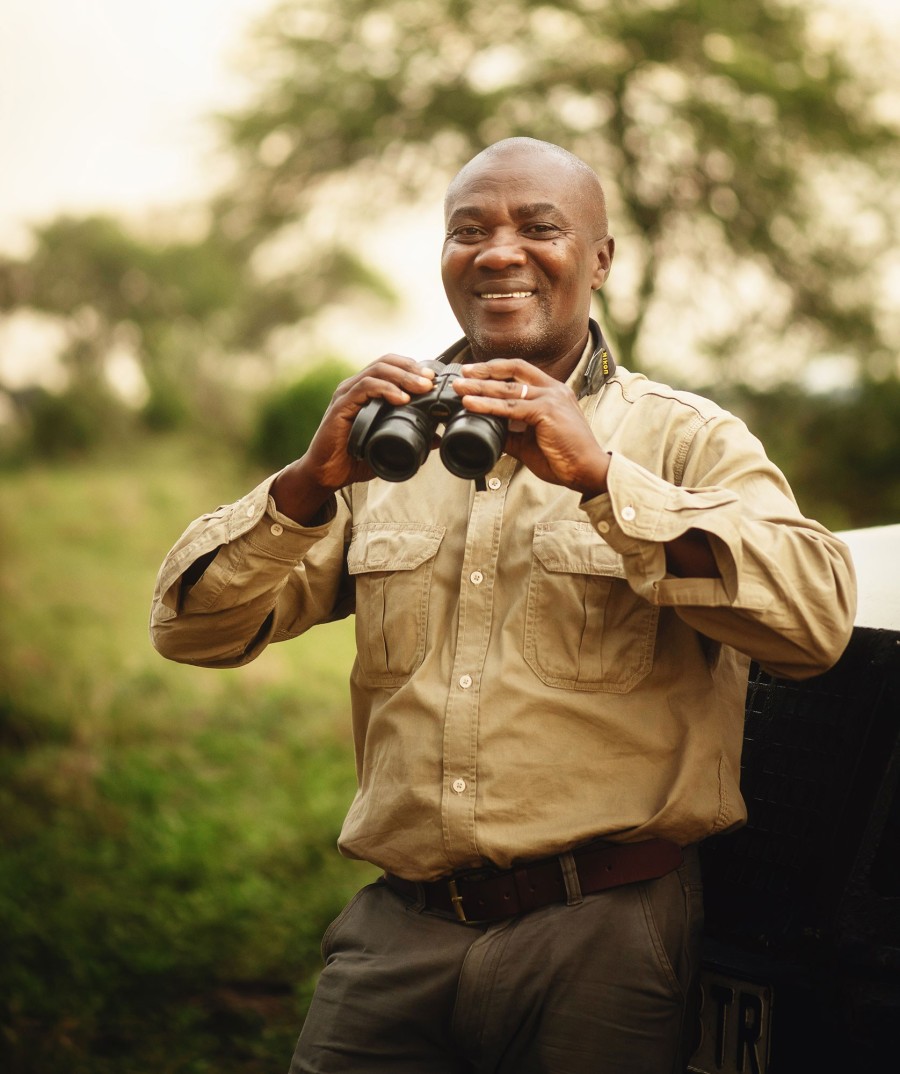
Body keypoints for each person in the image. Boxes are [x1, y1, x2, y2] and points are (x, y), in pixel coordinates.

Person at [150, 137, 856, 1073]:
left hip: (602, 933)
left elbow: (814, 624)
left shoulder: (682, 438)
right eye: (468, 231)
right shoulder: (382, 447)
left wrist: (605, 480)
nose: (499, 252)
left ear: (601, 259)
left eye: (540, 228)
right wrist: (308, 483)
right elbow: (191, 632)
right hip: (398, 931)